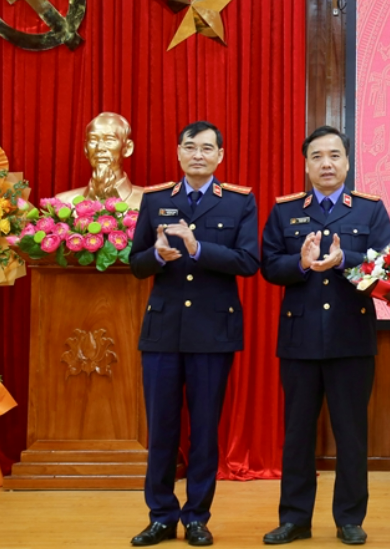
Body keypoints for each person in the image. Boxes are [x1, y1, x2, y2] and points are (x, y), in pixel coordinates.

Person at [260, 126, 390, 546]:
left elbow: (386, 264)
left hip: (350, 337)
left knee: (351, 434)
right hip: (299, 338)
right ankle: (294, 519)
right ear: (306, 165)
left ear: (348, 162)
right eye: (317, 156)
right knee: (297, 433)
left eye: (335, 155)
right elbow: (268, 265)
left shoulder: (370, 210)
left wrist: (343, 259)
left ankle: (349, 519)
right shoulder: (286, 211)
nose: (326, 163)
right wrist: (300, 265)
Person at [128, 121, 260, 547]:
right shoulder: (156, 200)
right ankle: (161, 516)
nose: (197, 155)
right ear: (178, 152)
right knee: (161, 430)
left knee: (204, 431)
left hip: (212, 331)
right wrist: (157, 255)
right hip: (163, 331)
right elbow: (135, 264)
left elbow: (248, 261)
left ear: (220, 155)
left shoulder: (238, 201)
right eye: (190, 147)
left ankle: (197, 517)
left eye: (206, 148)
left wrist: (197, 248)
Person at [56, 112, 146, 209]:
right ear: (85, 149)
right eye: (93, 139)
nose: (100, 148)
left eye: (109, 139)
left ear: (127, 148)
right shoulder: (63, 203)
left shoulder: (147, 202)